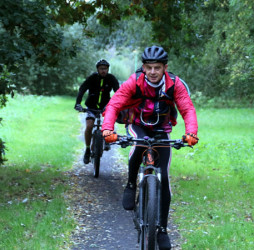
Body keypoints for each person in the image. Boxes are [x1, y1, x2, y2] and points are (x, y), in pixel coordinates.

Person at [102, 46, 199, 250]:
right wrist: (107, 129)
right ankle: (131, 184)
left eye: (157, 67)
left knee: (163, 177)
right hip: (137, 123)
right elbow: (114, 105)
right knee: (138, 144)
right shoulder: (134, 82)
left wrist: (191, 133)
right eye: (149, 68)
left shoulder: (175, 84)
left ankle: (162, 229)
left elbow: (187, 108)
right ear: (143, 68)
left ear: (165, 67)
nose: (153, 72)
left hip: (162, 127)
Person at [74, 59, 119, 164]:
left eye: (105, 69)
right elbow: (82, 89)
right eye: (101, 69)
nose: (103, 71)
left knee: (108, 123)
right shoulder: (92, 78)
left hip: (106, 106)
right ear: (97, 69)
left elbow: (119, 92)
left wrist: (119, 104)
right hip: (91, 106)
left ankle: (107, 139)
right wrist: (78, 103)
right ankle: (87, 149)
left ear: (108, 69)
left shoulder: (111, 78)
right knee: (89, 126)